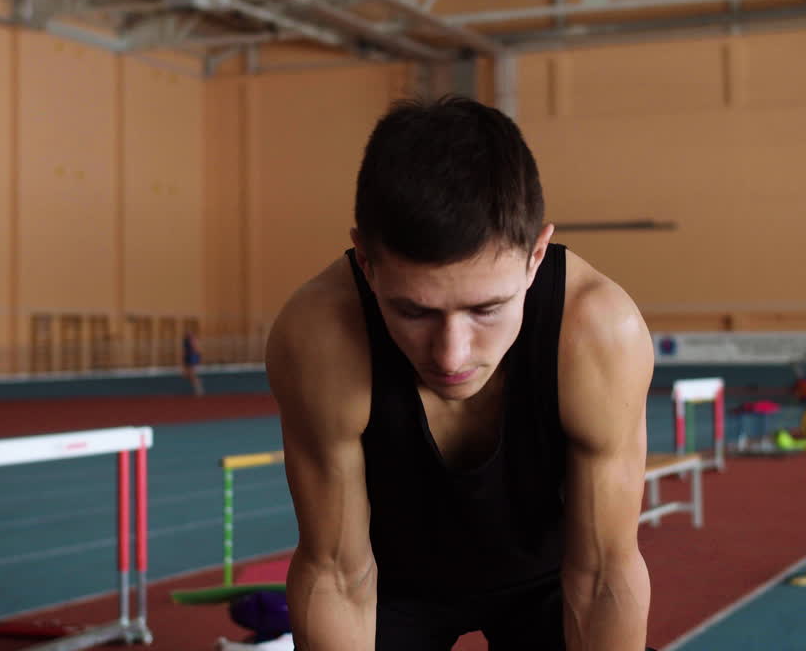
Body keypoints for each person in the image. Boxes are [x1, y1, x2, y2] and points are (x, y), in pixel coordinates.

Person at [265, 96, 653, 650]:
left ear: (536, 256)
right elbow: (337, 576)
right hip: (387, 585)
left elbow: (601, 578)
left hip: (553, 584)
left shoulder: (598, 333)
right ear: (366, 263)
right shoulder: (319, 336)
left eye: (486, 309)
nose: (450, 356)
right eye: (414, 311)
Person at [183, 330, 204, 396]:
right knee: (187, 375)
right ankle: (197, 384)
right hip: (188, 357)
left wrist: (198, 357)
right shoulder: (185, 341)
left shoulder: (192, 340)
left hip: (192, 357)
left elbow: (196, 348)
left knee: (192, 374)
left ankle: (199, 389)